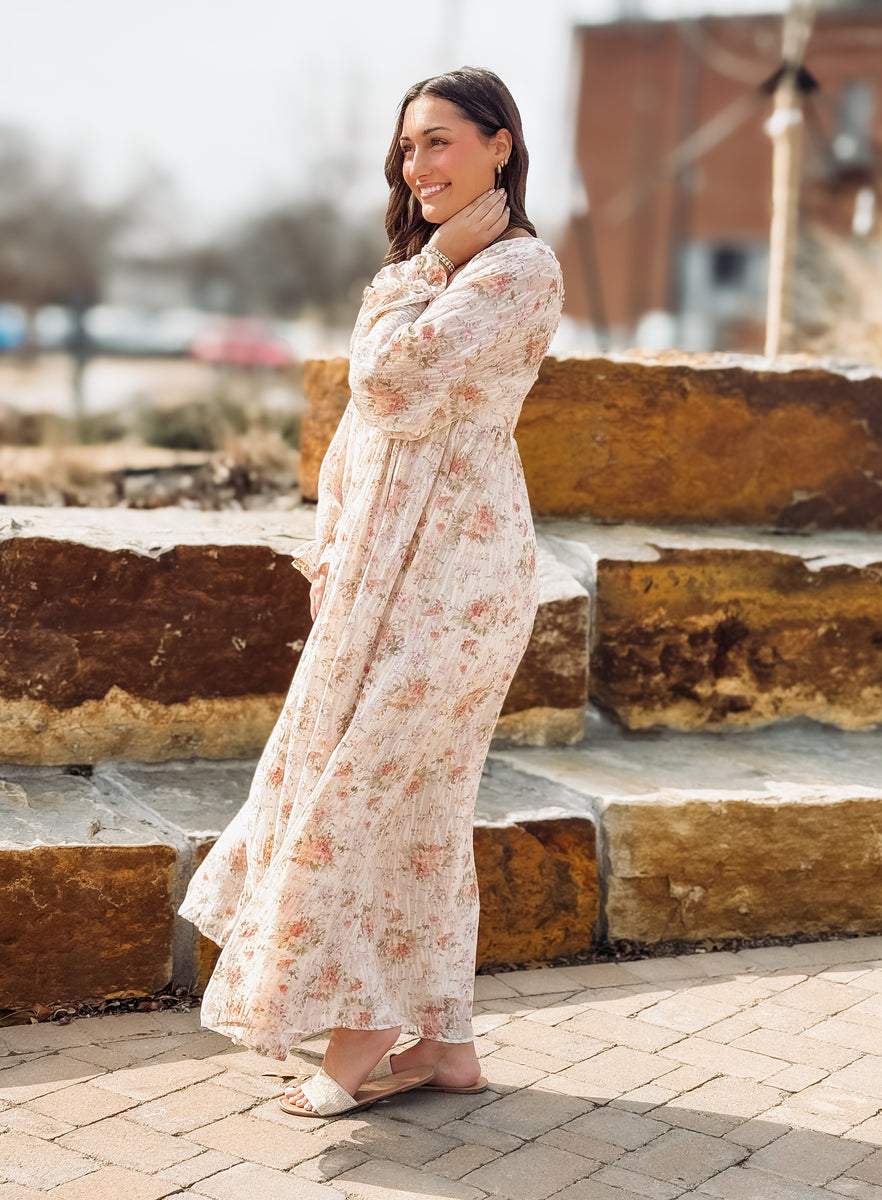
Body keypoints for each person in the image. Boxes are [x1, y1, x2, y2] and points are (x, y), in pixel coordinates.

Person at [178, 65, 564, 1119]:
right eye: (408, 147)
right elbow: (365, 426)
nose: (418, 165)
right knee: (422, 815)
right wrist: (333, 557)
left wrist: (436, 260)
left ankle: (359, 1040)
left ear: (499, 146)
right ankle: (445, 1046)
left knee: (360, 801)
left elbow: (385, 382)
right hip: (384, 575)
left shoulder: (517, 270)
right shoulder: (431, 271)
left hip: (458, 581)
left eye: (440, 141)